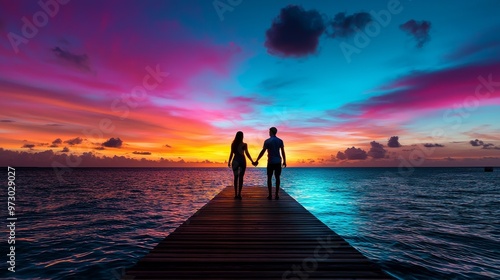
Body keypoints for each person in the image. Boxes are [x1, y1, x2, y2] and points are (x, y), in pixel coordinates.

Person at [254, 127, 286, 200]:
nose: (269, 132)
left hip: (270, 162)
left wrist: (257, 160)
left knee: (269, 178)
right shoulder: (280, 141)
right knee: (277, 178)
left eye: (269, 131)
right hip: (278, 161)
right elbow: (283, 152)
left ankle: (270, 195)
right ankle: (276, 195)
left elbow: (263, 151)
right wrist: (284, 161)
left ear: (271, 132)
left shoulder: (267, 141)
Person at [228, 131, 255, 199]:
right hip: (242, 160)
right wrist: (252, 161)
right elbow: (247, 153)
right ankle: (239, 194)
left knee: (235, 177)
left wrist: (229, 161)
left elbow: (231, 153)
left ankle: (235, 194)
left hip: (235, 160)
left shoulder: (233, 144)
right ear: (242, 136)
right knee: (241, 177)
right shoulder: (244, 144)